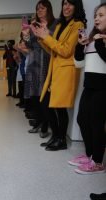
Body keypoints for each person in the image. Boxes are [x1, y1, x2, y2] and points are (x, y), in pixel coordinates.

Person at [32, 0, 87, 151]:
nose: (66, 7)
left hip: (66, 71)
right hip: (54, 69)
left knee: (60, 107)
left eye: (70, 4)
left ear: (76, 7)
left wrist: (46, 37)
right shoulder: (60, 25)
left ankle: (61, 139)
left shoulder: (78, 25)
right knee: (47, 103)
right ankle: (56, 136)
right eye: (64, 4)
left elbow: (66, 50)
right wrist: (41, 37)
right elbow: (53, 50)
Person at [70, 3, 106, 175]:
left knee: (97, 125)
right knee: (82, 120)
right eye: (96, 15)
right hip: (89, 87)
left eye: (101, 15)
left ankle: (98, 163)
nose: (96, 18)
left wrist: (99, 43)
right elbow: (79, 63)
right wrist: (80, 46)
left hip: (102, 88)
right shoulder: (93, 39)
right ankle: (90, 155)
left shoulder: (100, 41)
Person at [23, 0, 57, 138]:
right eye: (38, 9)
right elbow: (30, 44)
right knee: (34, 95)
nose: (40, 11)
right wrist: (26, 35)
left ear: (48, 9)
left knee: (45, 96)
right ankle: (37, 122)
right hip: (34, 61)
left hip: (47, 60)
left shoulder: (55, 23)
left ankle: (45, 125)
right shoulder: (34, 25)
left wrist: (44, 33)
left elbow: (54, 41)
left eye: (42, 8)